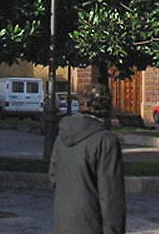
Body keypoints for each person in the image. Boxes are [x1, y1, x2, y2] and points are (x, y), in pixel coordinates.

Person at [49, 84, 126, 234]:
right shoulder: (105, 140)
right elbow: (110, 194)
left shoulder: (63, 136)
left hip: (64, 219)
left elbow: (53, 175)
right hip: (93, 222)